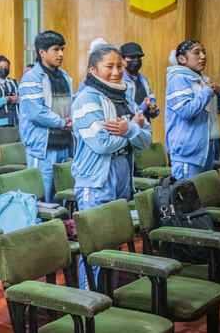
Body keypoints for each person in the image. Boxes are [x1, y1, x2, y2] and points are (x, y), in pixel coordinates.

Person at [71, 42, 151, 288]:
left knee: (113, 246)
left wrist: (129, 128)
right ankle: (90, 303)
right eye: (109, 67)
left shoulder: (125, 95)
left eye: (120, 65)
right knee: (96, 250)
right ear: (93, 70)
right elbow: (101, 143)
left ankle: (109, 300)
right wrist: (131, 131)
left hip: (122, 177)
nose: (117, 72)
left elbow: (146, 140)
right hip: (95, 181)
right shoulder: (85, 99)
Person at [18, 30, 73, 202]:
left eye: (62, 49)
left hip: (64, 144)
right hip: (42, 148)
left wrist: (71, 119)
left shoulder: (65, 77)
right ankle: (40, 229)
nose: (61, 54)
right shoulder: (31, 78)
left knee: (61, 197)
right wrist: (63, 122)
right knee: (42, 199)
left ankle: (64, 228)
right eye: (56, 49)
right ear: (42, 52)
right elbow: (36, 113)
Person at [165, 40, 220, 180]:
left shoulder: (201, 79)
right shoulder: (178, 79)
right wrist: (206, 92)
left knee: (204, 200)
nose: (203, 56)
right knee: (189, 200)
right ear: (181, 59)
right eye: (196, 52)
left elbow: (212, 113)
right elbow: (185, 112)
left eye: (204, 52)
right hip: (188, 155)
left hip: (207, 150)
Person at [120, 42, 159, 120]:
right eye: (132, 58)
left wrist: (152, 108)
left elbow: (151, 99)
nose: (136, 61)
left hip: (145, 128)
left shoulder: (142, 79)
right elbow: (123, 111)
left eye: (139, 58)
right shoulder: (119, 81)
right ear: (122, 60)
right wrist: (143, 107)